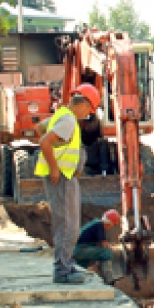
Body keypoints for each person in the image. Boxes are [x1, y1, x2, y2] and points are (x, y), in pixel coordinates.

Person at [35, 83, 99, 284]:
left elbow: (39, 128)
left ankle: (66, 266)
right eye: (90, 111)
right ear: (84, 104)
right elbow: (45, 141)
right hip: (61, 177)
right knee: (68, 225)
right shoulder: (69, 120)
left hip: (63, 175)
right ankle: (63, 270)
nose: (88, 115)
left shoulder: (61, 115)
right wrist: (55, 167)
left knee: (67, 223)